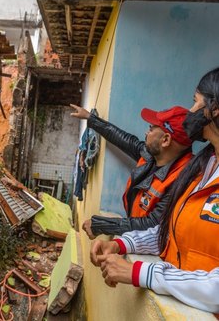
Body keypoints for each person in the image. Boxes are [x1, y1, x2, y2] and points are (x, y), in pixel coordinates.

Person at [90, 67, 219, 313]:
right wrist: (121, 244)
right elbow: (168, 232)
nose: (189, 112)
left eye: (195, 103)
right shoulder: (201, 168)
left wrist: (141, 272)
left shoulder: (183, 172)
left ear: (215, 109)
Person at [70, 104, 193, 239]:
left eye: (151, 129)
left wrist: (100, 225)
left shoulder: (183, 180)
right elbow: (124, 139)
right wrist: (91, 118)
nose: (146, 133)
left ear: (165, 140)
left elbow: (152, 225)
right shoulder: (151, 156)